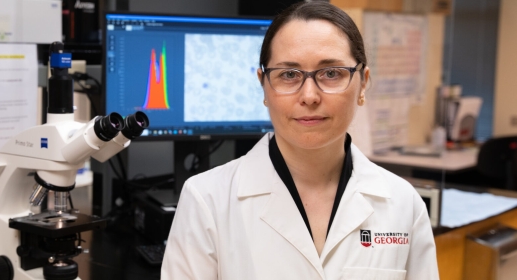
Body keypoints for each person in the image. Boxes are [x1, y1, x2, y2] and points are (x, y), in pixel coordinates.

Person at [161, 1, 439, 279]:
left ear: (363, 83)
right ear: (264, 86)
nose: (309, 96)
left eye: (331, 73)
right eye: (289, 75)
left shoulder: (405, 206)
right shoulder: (206, 201)